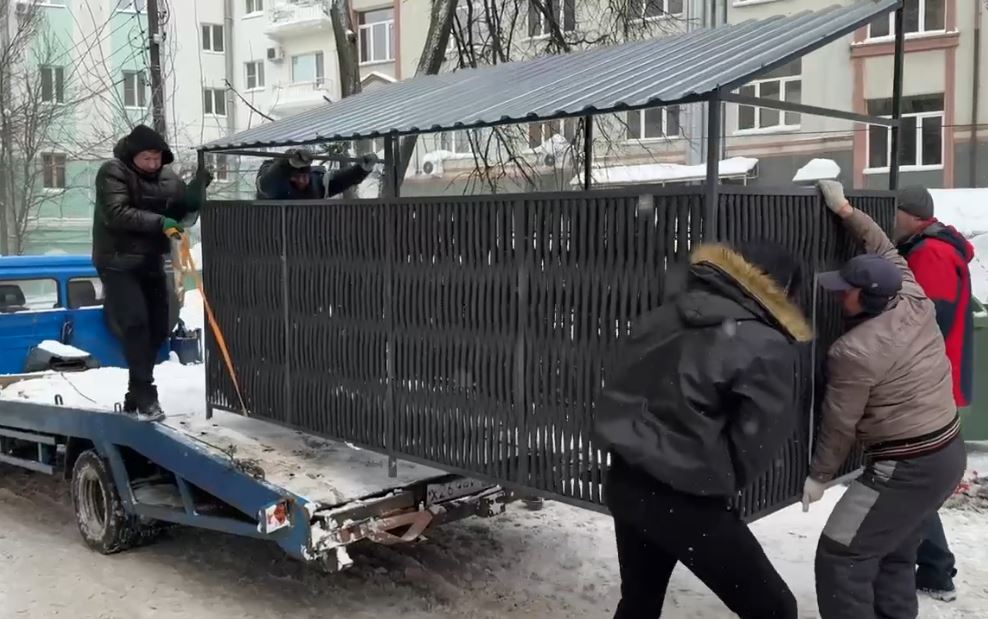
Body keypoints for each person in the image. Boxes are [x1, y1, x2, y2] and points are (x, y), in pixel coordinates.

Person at [594, 239, 811, 618]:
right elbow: (757, 438)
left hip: (626, 480)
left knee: (639, 603)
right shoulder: (766, 343)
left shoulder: (661, 317)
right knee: (775, 608)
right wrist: (718, 480)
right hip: (686, 497)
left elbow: (622, 383)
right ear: (783, 291)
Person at [804, 180, 967, 619]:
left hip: (907, 465)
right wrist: (843, 210)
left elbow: (840, 423)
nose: (840, 293)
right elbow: (882, 244)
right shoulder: (910, 294)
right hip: (948, 451)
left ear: (866, 297)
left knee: (840, 555)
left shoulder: (853, 353)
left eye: (846, 288)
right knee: (894, 551)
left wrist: (819, 476)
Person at [92, 124, 211, 421]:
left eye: (158, 158)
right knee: (135, 323)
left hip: (151, 261)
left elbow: (180, 214)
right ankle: (146, 394)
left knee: (160, 327)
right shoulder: (113, 172)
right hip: (117, 261)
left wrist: (193, 197)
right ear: (133, 155)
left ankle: (135, 391)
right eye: (147, 158)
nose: (153, 164)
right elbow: (116, 213)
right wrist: (161, 222)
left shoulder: (168, 177)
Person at [894, 186, 974, 602]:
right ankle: (931, 567)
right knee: (913, 480)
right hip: (933, 380)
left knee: (913, 479)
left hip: (925, 385)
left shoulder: (931, 255)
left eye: (894, 213)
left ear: (909, 215)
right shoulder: (928, 247)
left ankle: (937, 569)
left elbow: (927, 324)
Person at [256, 147, 378, 200]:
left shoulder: (317, 184)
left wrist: (361, 169)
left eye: (305, 176)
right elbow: (270, 181)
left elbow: (341, 179)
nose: (303, 181)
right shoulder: (275, 185)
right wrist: (289, 164)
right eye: (297, 177)